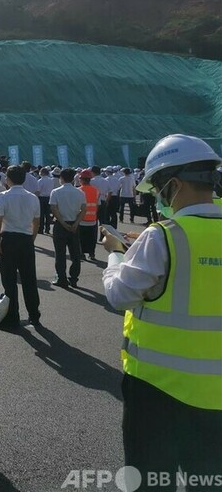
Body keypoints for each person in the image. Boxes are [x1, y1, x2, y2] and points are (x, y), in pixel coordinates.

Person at [101, 134, 222, 491]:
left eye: (157, 189)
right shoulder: (165, 237)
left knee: (152, 481)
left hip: (157, 391)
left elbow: (119, 294)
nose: (157, 196)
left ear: (175, 184)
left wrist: (116, 255)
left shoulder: (162, 236)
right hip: (216, 396)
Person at [0, 165, 41, 328]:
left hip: (8, 239)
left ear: (8, 179)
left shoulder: (3, 196)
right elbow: (36, 221)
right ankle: (34, 315)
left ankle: (13, 315)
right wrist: (32, 238)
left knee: (9, 279)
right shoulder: (32, 197)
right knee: (29, 279)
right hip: (26, 239)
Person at [49, 168, 86, 288]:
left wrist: (63, 223)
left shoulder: (55, 192)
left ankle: (62, 278)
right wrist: (76, 223)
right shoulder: (80, 192)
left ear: (61, 178)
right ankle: (74, 278)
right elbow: (83, 209)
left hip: (60, 224)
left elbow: (54, 209)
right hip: (74, 223)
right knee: (75, 254)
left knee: (60, 254)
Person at [77, 170, 100, 260]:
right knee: (92, 239)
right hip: (92, 219)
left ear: (82, 180)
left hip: (81, 219)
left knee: (81, 238)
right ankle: (92, 254)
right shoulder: (96, 190)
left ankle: (82, 253)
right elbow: (97, 204)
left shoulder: (78, 190)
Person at [37, 167, 56, 234]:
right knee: (47, 214)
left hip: (41, 198)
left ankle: (41, 229)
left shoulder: (40, 181)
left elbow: (38, 191)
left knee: (41, 214)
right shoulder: (51, 180)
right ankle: (47, 229)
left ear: (42, 173)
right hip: (49, 197)